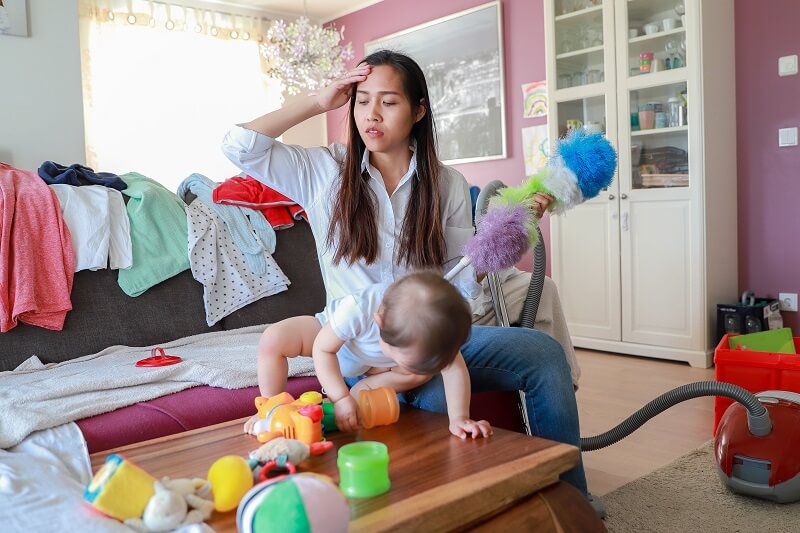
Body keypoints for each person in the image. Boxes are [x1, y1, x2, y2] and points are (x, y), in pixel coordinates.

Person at [222, 50, 588, 498]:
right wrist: (318, 102)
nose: (371, 114)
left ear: (418, 110)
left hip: (427, 340)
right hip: (359, 348)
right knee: (431, 400)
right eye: (361, 100)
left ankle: (573, 499)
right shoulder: (323, 171)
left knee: (544, 353)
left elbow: (461, 280)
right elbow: (237, 145)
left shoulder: (447, 184)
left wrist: (513, 230)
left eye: (388, 102)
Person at [246, 271, 492, 439]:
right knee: (273, 338)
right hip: (336, 344)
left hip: (378, 370)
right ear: (380, 322)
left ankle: (360, 392)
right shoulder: (359, 308)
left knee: (419, 376)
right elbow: (323, 348)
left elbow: (455, 368)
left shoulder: (435, 330)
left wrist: (459, 418)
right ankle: (269, 406)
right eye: (403, 356)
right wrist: (340, 397)